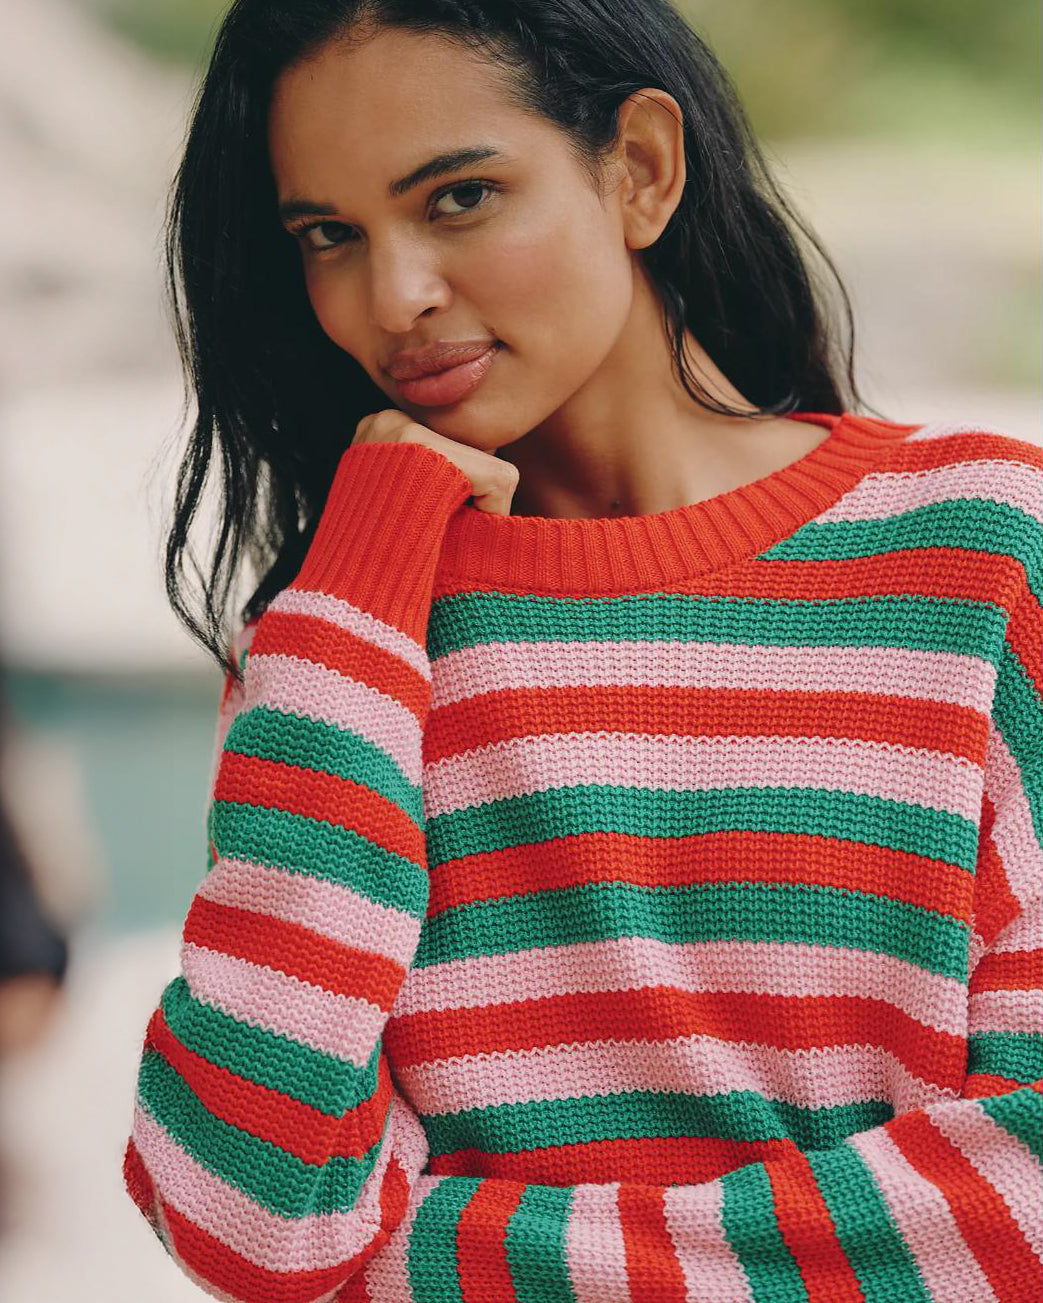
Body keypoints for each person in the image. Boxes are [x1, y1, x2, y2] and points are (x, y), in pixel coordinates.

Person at [122, 1, 1042, 1299]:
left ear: (642, 171)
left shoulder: (985, 554)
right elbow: (248, 1223)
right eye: (329, 236)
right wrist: (370, 562)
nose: (395, 299)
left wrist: (428, 1258)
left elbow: (1025, 1195)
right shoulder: (335, 654)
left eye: (458, 199)